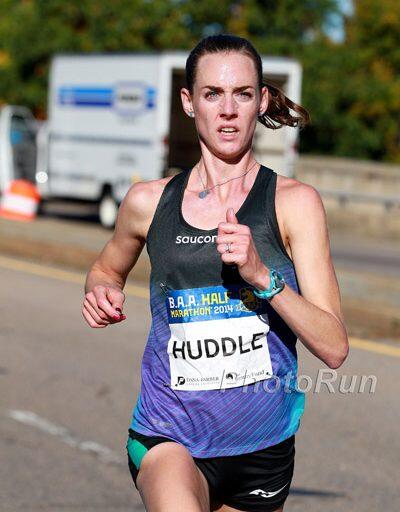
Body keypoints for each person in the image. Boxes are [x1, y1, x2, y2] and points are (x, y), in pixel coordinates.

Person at [83, 34, 349, 512]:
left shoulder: (295, 204)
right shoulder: (148, 202)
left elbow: (333, 347)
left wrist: (262, 276)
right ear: (189, 102)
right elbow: (106, 268)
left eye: (242, 94)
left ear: (261, 101)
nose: (227, 110)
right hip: (169, 434)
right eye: (212, 94)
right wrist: (101, 290)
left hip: (262, 449)